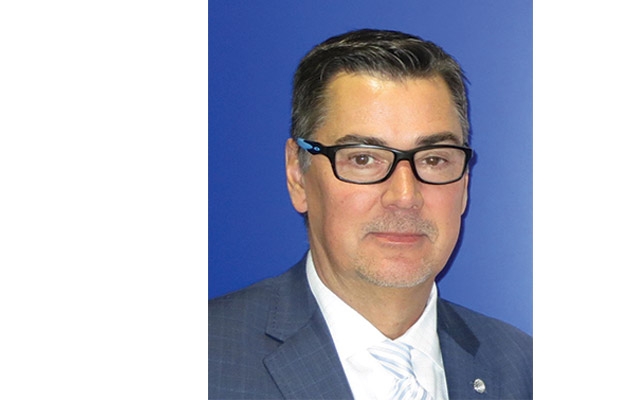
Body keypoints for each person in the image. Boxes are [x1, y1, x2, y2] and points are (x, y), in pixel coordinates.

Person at [209, 29, 532, 399]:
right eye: (363, 159)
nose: (405, 196)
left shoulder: (525, 370)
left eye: (434, 159)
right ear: (297, 174)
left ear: (465, 183)